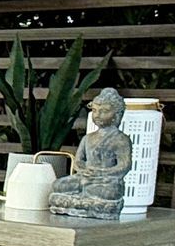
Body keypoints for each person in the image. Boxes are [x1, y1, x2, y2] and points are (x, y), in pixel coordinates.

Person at [48, 87, 133, 219]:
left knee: (107, 192)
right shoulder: (88, 138)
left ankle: (87, 200)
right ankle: (83, 198)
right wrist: (84, 170)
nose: (98, 115)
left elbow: (124, 166)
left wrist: (101, 173)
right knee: (58, 186)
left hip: (106, 181)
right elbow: (78, 161)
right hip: (85, 177)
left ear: (117, 114)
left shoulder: (121, 139)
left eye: (104, 111)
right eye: (94, 110)